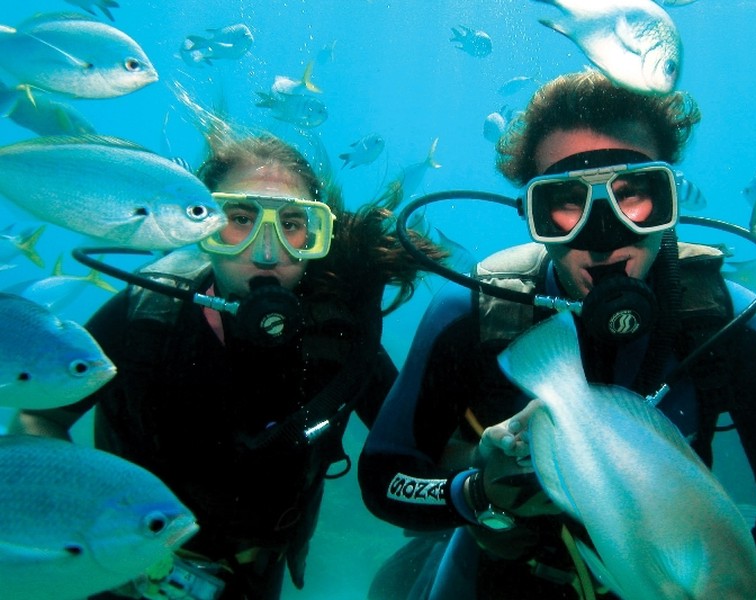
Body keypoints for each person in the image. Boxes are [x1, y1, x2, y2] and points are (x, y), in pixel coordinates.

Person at [357, 70, 756, 600]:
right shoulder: (473, 312)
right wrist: (474, 493)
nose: (603, 236)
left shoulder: (728, 321)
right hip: (502, 577)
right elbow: (385, 479)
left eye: (633, 194)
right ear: (530, 214)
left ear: (669, 199)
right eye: (564, 202)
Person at [11, 132, 444, 599]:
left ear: (317, 235)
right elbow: (41, 412)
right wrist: (78, 513)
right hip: (119, 569)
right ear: (202, 227)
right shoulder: (145, 316)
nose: (267, 251)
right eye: (240, 220)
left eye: (293, 224)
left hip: (253, 577)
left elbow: (418, 448)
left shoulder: (339, 339)